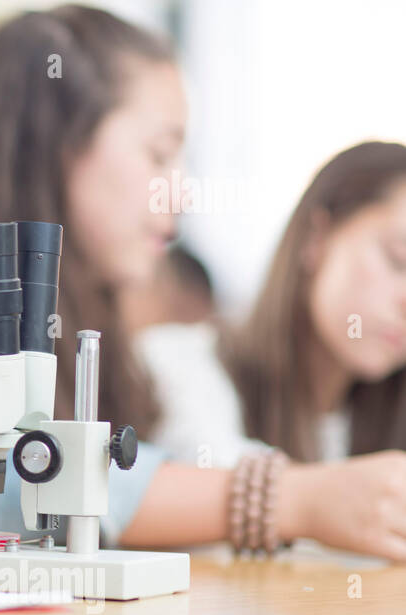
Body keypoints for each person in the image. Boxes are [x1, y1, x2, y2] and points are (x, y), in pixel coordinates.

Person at [0, 5, 406, 561]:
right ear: (61, 141)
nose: (179, 195)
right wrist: (286, 500)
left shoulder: (75, 298)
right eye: (159, 154)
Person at [141, 141, 406, 474]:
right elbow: (206, 475)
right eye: (398, 261)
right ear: (317, 237)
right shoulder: (183, 367)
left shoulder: (379, 429)